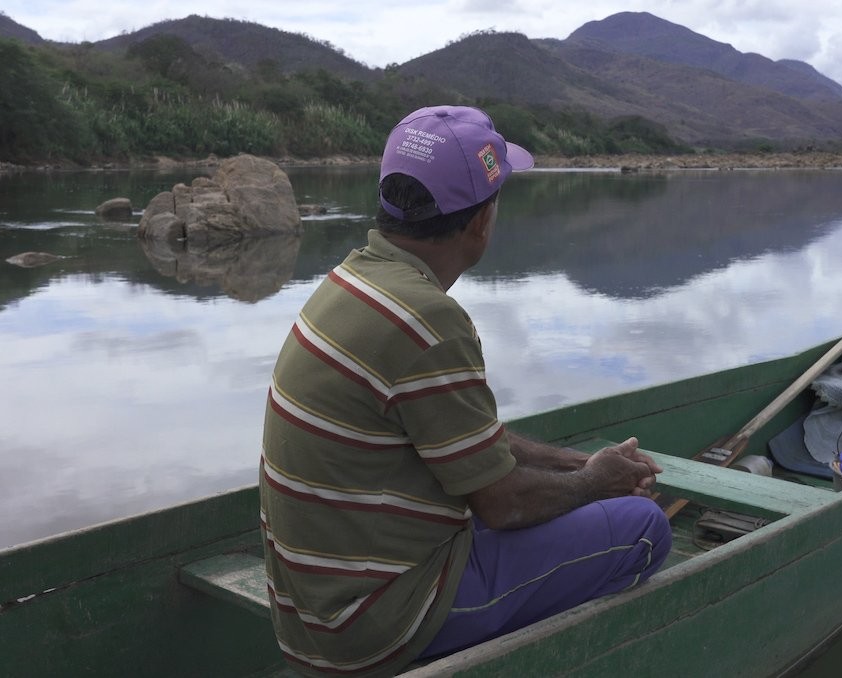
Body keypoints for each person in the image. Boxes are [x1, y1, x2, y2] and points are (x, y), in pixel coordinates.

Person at [259, 105, 672, 677]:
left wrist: (578, 466)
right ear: (481, 221)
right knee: (645, 528)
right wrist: (594, 486)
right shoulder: (429, 320)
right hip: (378, 625)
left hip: (314, 614)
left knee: (579, 501)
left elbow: (465, 442)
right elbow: (504, 505)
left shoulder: (350, 281)